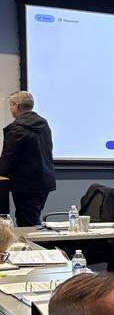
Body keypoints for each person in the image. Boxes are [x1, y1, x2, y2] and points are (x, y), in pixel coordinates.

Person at [0, 90, 56, 226]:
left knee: (27, 224)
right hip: (43, 182)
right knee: (32, 219)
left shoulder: (17, 129)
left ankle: (32, 247)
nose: (10, 108)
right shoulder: (43, 124)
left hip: (26, 185)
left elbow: (8, 159)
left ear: (17, 106)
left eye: (11, 105)